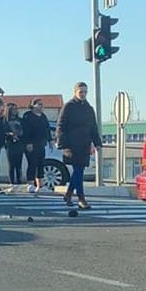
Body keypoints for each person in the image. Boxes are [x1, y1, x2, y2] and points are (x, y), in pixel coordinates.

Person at [55, 81, 101, 209]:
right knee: (78, 171)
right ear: (75, 92)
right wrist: (62, 144)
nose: (83, 94)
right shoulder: (69, 106)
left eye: (85, 92)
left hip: (84, 144)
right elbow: (61, 126)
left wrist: (97, 143)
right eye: (81, 92)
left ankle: (69, 194)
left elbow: (93, 127)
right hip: (71, 144)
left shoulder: (89, 108)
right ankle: (81, 198)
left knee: (79, 171)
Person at [21, 98, 52, 193]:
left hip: (41, 144)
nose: (41, 106)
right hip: (31, 144)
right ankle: (30, 184)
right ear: (33, 105)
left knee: (40, 164)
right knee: (32, 163)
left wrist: (50, 140)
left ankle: (40, 185)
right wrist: (28, 142)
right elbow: (25, 130)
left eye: (42, 104)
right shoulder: (28, 116)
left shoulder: (43, 116)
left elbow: (47, 129)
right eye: (39, 104)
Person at [3, 103, 25, 187]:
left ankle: (19, 181)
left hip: (19, 144)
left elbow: (24, 131)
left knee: (18, 164)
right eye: (13, 109)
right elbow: (3, 132)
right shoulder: (5, 120)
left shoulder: (20, 120)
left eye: (16, 109)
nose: (15, 111)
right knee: (11, 164)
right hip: (10, 144)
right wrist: (10, 134)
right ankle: (11, 182)